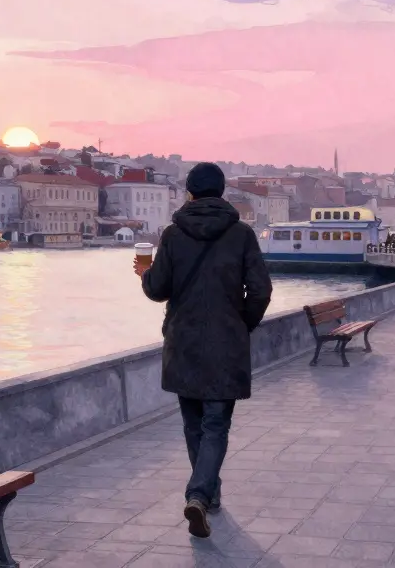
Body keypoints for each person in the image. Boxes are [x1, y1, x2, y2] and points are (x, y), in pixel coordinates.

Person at [137, 162, 273, 539]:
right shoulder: (242, 234)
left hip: (183, 344)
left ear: (190, 193)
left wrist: (143, 275)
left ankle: (204, 496)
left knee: (194, 424)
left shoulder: (173, 235)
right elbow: (260, 290)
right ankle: (201, 494)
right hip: (225, 347)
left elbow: (157, 289)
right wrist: (240, 324)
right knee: (216, 425)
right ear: (223, 192)